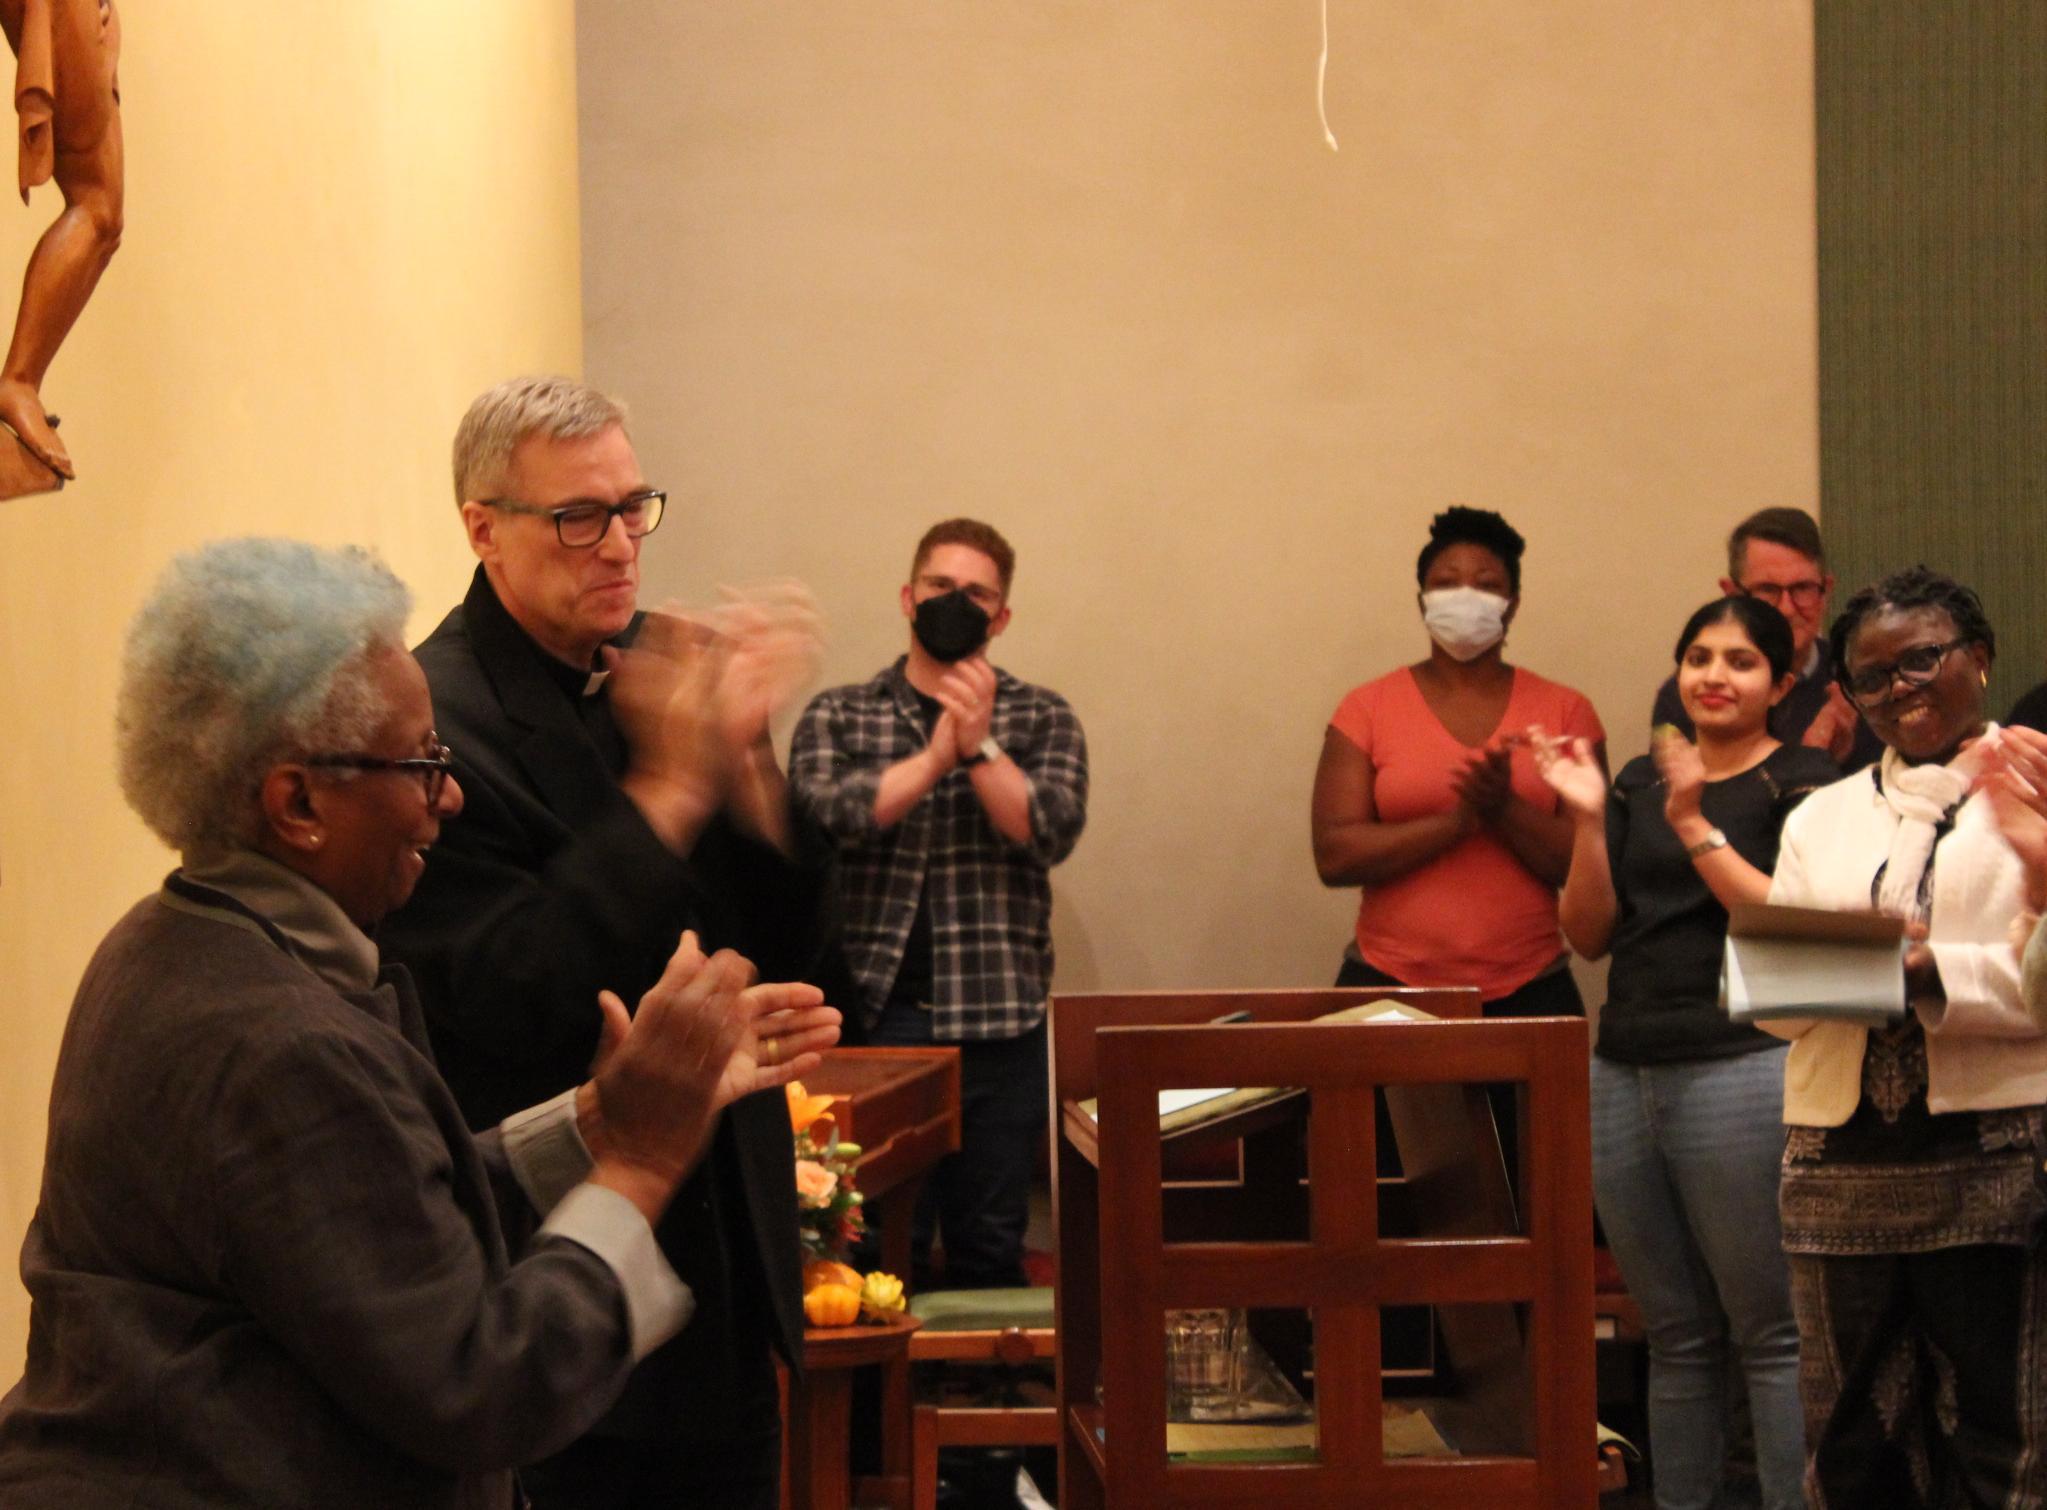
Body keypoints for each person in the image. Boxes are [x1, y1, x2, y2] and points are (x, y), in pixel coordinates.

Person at [0, 538, 840, 1508]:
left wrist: (597, 1120)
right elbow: (484, 1388)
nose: (451, 794)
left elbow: (376, 1208)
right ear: (299, 802)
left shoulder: (166, 939)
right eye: (421, 760)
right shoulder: (277, 1043)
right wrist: (644, 1161)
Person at [377, 375, 835, 1509]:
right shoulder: (433, 718)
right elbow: (510, 991)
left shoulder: (655, 668)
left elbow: (791, 950)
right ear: (483, 527)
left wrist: (749, 762)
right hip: (550, 1276)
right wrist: (673, 784)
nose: (621, 543)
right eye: (579, 516)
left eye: (636, 507)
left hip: (724, 1265)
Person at [1533, 596, 1835, 1510]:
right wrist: (1588, 821)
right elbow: (1587, 937)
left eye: (1740, 661)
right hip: (1623, 1065)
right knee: (1671, 1333)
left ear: (1781, 684)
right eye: (1697, 656)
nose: (1713, 675)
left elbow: (1784, 924)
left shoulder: (1806, 781)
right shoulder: (1633, 780)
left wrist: (1695, 819)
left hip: (1740, 1064)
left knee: (1770, 1333)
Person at [1762, 566, 2047, 1507]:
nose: (1899, 690)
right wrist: (1874, 964)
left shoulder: (2037, 785)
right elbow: (1770, 991)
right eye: (1871, 677)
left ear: (1981, 657)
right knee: (1851, 1448)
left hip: (1998, 1160)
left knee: (2004, 1441)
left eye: (1920, 660)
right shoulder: (1820, 816)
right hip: (1837, 1171)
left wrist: (1936, 973)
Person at [788, 518, 1087, 1289]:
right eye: (939, 588)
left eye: (976, 593)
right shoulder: (839, 714)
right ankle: (881, 1409)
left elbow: (1047, 829)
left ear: (1002, 616)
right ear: (906, 597)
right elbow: (828, 817)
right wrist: (937, 755)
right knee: (872, 1242)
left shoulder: (1042, 717)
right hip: (875, 1020)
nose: (955, 603)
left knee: (991, 1241)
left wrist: (981, 744)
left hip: (1000, 1022)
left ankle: (984, 1397)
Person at [1312, 505, 1603, 1016]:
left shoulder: (1566, 709)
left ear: (1511, 605)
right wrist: (1458, 822)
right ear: (1422, 600)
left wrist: (1503, 808)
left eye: (1486, 585)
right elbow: (1335, 855)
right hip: (1386, 982)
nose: (1465, 597)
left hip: (1531, 988)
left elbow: (1589, 863)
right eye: (1446, 584)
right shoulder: (1366, 707)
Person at [1649, 507, 1881, 770]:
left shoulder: (1860, 682)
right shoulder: (1695, 692)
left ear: (1825, 592)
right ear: (1732, 594)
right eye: (1767, 590)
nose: (1786, 609)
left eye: (1802, 588)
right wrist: (1809, 762)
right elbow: (1678, 804)